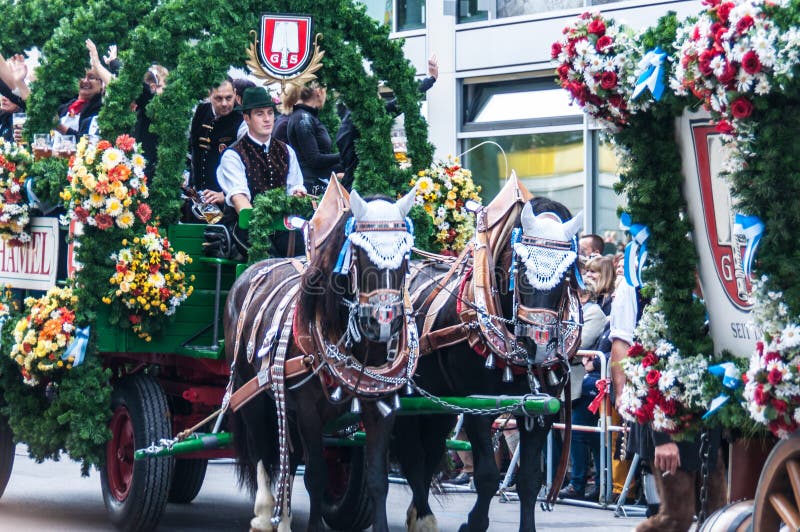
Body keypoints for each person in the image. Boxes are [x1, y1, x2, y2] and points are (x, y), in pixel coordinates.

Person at [610, 279, 725, 531]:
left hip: (708, 421)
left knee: (717, 514)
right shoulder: (652, 293)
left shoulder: (717, 293)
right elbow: (647, 365)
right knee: (676, 516)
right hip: (666, 420)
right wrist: (662, 438)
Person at [336, 54, 439, 190]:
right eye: (375, 90)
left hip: (354, 185)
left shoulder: (348, 117)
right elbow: (401, 102)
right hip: (362, 188)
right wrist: (431, 79)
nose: (379, 96)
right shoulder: (361, 116)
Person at [189, 78, 242, 205]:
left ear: (235, 93)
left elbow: (247, 166)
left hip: (225, 199)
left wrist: (225, 194)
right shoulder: (201, 110)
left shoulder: (242, 120)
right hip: (197, 195)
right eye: (218, 98)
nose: (224, 103)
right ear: (209, 94)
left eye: (229, 98)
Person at [559, 352, 603, 500]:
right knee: (583, 435)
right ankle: (591, 485)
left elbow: (586, 338)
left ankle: (585, 485)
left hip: (599, 384)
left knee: (595, 437)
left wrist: (595, 361)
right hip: (586, 383)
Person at [286, 82, 342, 195]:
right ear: (318, 91)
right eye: (325, 89)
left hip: (317, 181)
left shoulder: (306, 116)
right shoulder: (303, 118)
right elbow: (314, 160)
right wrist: (345, 155)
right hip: (313, 186)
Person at [133, 64, 168, 179]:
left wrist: (115, 64)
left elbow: (145, 93)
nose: (153, 89)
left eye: (159, 86)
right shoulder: (140, 110)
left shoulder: (165, 108)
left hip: (157, 174)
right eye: (152, 86)